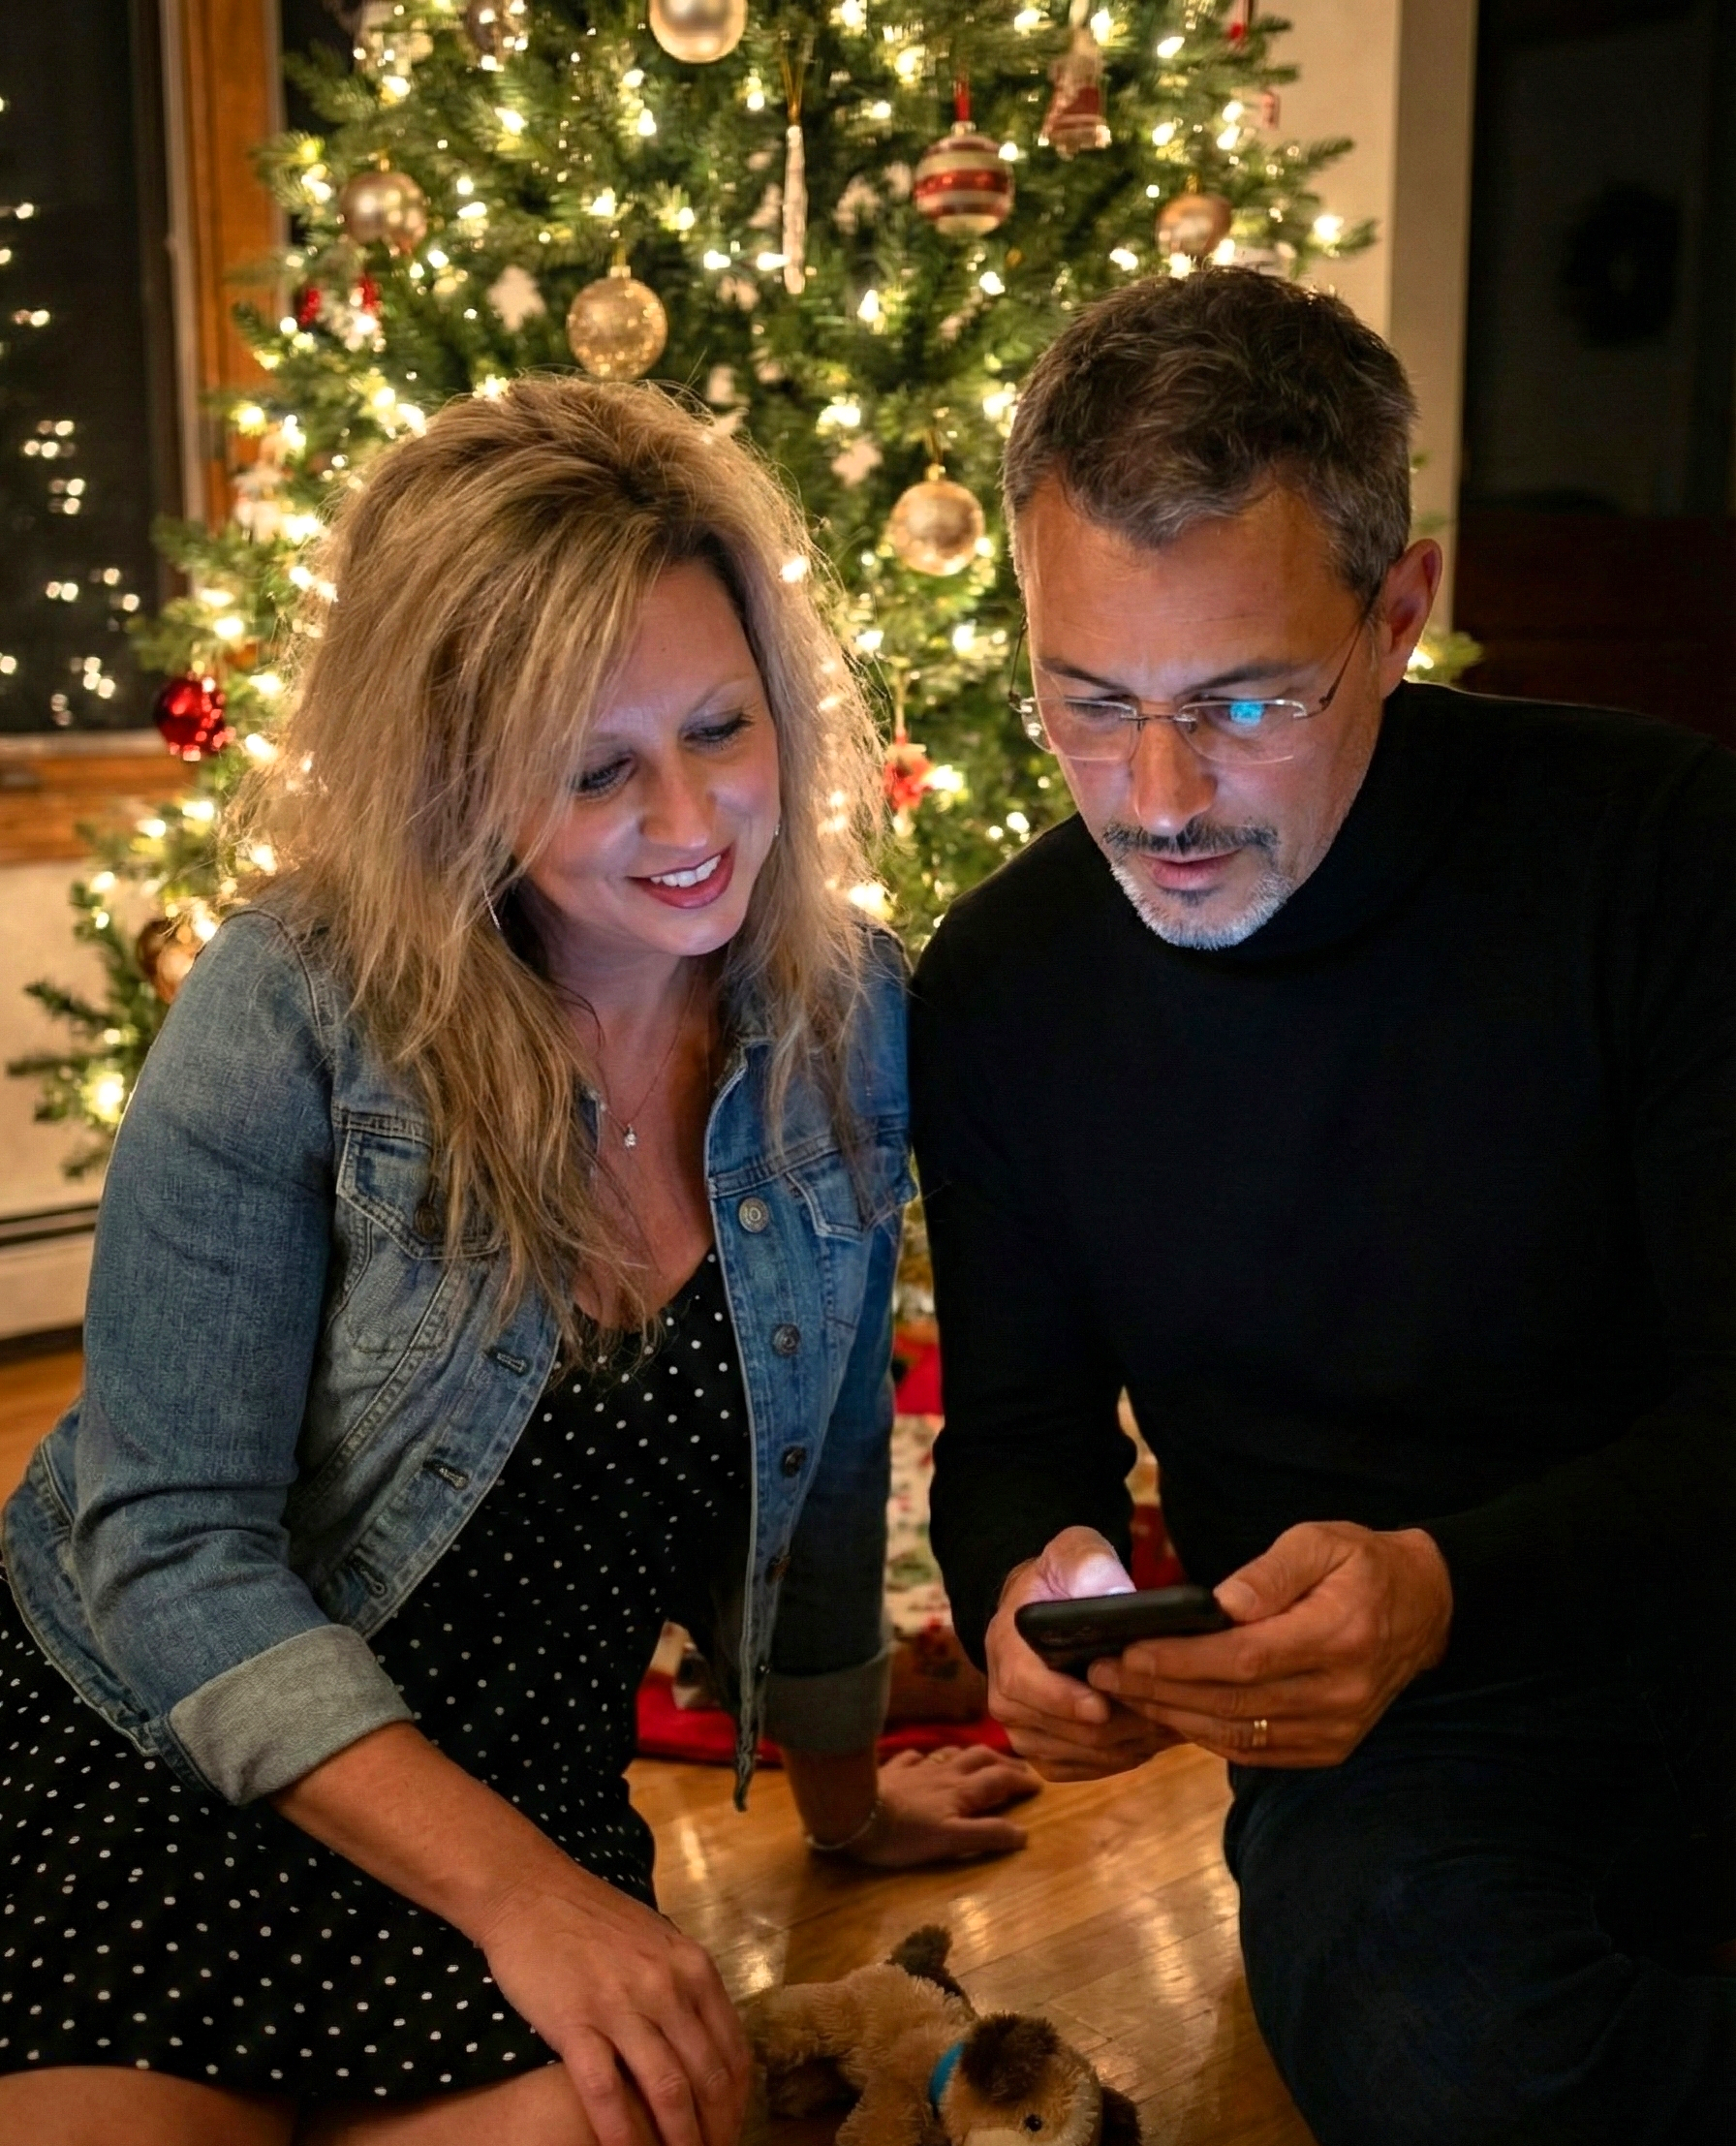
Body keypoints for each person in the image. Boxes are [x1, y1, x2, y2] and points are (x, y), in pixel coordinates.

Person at [0, 376, 1034, 2146]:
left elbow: (828, 1467)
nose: (697, 814)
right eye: (597, 766)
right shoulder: (294, 1003)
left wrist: (845, 1804)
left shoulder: (844, 1019)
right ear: (459, 780)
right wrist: (526, 1902)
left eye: (723, 724)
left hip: (520, 1787)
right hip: (153, 1753)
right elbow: (169, 1547)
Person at [909, 269, 1735, 2146]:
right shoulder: (1002, 985)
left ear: (1400, 613)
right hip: (1377, 1727)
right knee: (1435, 2059)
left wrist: (1447, 1584)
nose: (1155, 797)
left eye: (1240, 704)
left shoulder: (1659, 851)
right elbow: (1014, 1437)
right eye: (1085, 704)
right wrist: (1030, 1590)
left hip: (1682, 1597)